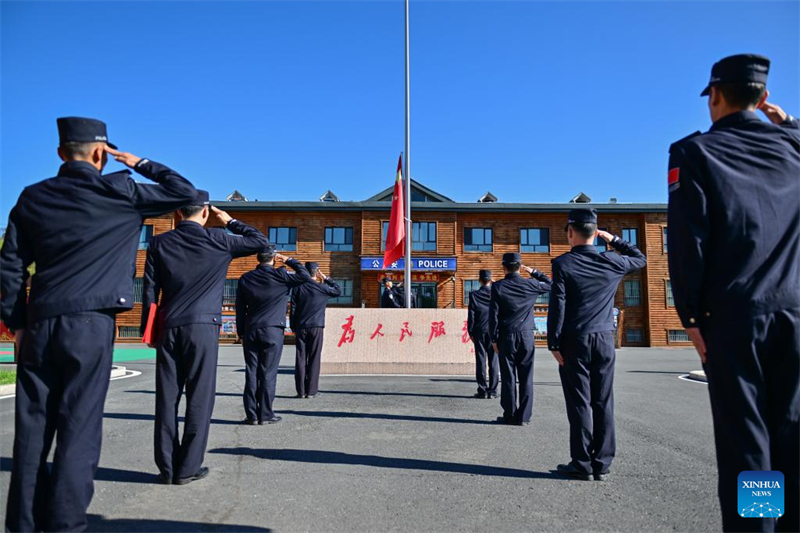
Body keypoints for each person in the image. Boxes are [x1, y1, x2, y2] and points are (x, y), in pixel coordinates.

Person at [0, 116, 197, 531]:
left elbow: (10, 268)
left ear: (60, 153)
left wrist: (17, 324)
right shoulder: (120, 190)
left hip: (39, 324)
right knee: (78, 428)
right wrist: (138, 161)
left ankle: (22, 524)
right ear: (100, 153)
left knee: (31, 431)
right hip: (89, 325)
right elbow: (185, 193)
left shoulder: (32, 197)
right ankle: (66, 524)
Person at [667, 53, 799, 532]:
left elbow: (689, 245)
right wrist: (791, 124)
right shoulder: (792, 148)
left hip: (734, 319)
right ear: (764, 99)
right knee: (792, 435)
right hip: (796, 314)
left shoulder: (695, 153)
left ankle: (758, 528)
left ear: (715, 95)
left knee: (750, 445)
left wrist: (691, 318)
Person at [141, 193, 267, 485]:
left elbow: (150, 291)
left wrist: (151, 328)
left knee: (167, 397)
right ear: (207, 212)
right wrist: (230, 220)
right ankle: (187, 468)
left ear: (178, 212)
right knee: (200, 396)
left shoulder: (159, 243)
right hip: (203, 328)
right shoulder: (219, 239)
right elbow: (260, 242)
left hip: (169, 326)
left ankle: (167, 466)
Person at [547, 208, 647, 481]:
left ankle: (581, 463)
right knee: (603, 400)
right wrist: (613, 239)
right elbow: (640, 258)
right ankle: (602, 463)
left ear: (570, 232)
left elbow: (559, 305)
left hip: (574, 340)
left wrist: (553, 343)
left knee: (580, 402)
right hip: (604, 338)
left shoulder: (563, 264)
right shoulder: (614, 261)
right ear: (595, 233)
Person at [236, 247, 311, 424]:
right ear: (274, 259)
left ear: (258, 259)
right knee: (268, 373)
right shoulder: (281, 276)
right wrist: (288, 260)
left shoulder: (246, 278)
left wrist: (240, 333)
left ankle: (252, 415)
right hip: (273, 330)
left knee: (252, 372)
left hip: (251, 329)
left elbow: (240, 309)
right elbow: (305, 276)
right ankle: (266, 414)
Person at [489, 253, 552, 426]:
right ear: (520, 266)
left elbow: (493, 315)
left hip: (506, 336)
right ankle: (524, 417)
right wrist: (533, 272)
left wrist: (493, 339)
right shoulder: (531, 284)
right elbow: (551, 284)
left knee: (508, 377)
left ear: (504, 267)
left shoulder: (498, 287)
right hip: (526, 335)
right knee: (526, 376)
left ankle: (509, 414)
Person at [290, 262, 341, 398]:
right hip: (317, 326)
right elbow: (337, 290)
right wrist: (327, 278)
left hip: (301, 326)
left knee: (301, 357)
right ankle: (311, 391)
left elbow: (293, 309)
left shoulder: (298, 288)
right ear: (316, 272)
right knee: (314, 357)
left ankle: (300, 391)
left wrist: (293, 326)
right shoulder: (323, 288)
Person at [467, 269, 499, 399]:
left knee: (480, 361)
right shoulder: (496, 293)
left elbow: (471, 316)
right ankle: (493, 391)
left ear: (479, 280)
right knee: (493, 362)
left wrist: (471, 332)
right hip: (494, 332)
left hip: (479, 331)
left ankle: (482, 390)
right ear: (491, 280)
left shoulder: (474, 295)